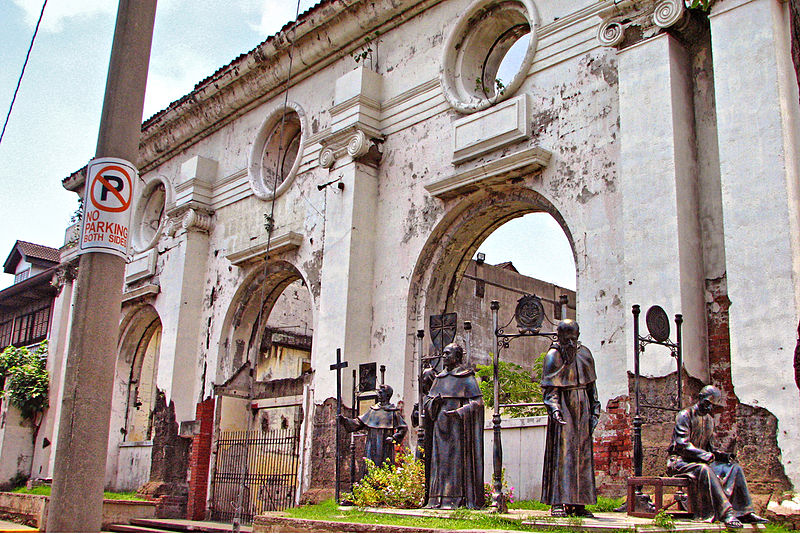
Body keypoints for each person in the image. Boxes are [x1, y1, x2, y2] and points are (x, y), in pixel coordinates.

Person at [667, 385, 768, 527]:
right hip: (680, 462)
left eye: (712, 406)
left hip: (700, 461)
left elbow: (711, 449)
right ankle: (727, 513)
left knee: (734, 468)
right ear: (700, 398)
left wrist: (724, 457)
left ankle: (744, 512)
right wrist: (704, 455)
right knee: (704, 470)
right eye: (707, 403)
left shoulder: (709, 420)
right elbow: (682, 445)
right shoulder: (685, 415)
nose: (709, 408)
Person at [541, 319, 600, 517]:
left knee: (582, 455)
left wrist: (595, 410)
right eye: (568, 340)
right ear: (560, 337)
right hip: (564, 407)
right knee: (563, 455)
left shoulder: (585, 354)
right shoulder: (553, 356)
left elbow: (592, 387)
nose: (572, 345)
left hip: (582, 407)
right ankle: (558, 501)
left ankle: (579, 503)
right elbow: (550, 391)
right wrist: (555, 409)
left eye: (575, 339)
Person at [422, 343, 484, 509]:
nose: (444, 356)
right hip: (438, 428)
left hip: (457, 428)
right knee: (438, 463)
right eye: (443, 353)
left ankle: (454, 499)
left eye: (448, 353)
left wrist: (460, 411)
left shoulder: (466, 377)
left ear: (457, 357)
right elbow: (427, 401)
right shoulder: (439, 378)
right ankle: (435, 499)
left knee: (454, 462)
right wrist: (434, 402)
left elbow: (478, 402)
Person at [338, 384, 407, 467]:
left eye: (382, 393)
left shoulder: (392, 411)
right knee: (370, 465)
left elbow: (403, 428)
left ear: (388, 395)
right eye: (379, 393)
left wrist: (394, 438)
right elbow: (358, 423)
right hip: (372, 442)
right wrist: (344, 420)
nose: (379, 395)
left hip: (385, 444)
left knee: (384, 465)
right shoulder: (373, 410)